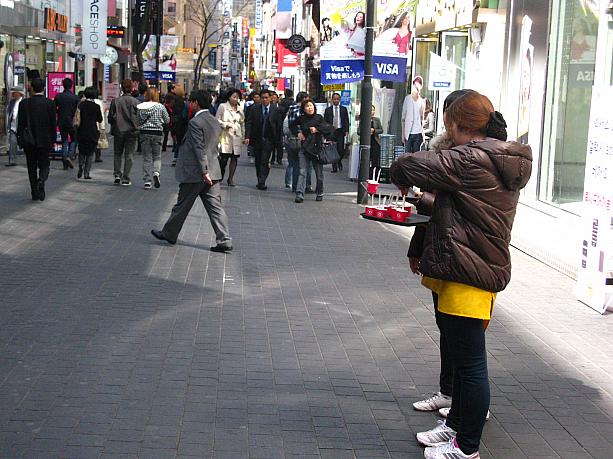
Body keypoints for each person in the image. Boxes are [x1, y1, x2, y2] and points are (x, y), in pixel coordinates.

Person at [390, 91, 532, 459]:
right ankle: (454, 427)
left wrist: (412, 169)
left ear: (456, 122)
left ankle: (466, 447)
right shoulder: (493, 156)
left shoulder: (472, 157)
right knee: (461, 354)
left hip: (468, 268)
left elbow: (406, 165)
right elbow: (466, 212)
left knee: (470, 363)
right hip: (468, 262)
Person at [408, 90, 477, 418]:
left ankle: (467, 411)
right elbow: (436, 211)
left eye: (451, 116)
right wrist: (416, 247)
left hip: (467, 261)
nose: (446, 123)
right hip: (440, 253)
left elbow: (458, 212)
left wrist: (421, 199)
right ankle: (450, 395)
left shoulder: (477, 162)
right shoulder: (442, 153)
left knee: (467, 345)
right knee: (447, 329)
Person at [151, 90, 232, 252]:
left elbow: (198, 148)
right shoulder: (214, 121)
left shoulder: (196, 122)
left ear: (196, 103)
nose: (190, 105)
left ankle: (169, 233)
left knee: (182, 205)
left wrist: (204, 171)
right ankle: (224, 239)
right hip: (213, 171)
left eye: (192, 102)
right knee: (215, 208)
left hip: (196, 173)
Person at [16, 78, 56, 201]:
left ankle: (34, 191)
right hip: (45, 140)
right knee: (45, 165)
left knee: (31, 166)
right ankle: (41, 181)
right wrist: (53, 139)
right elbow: (52, 124)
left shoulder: (24, 104)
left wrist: (19, 139)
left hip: (29, 141)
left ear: (31, 88)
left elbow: (20, 124)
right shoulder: (50, 103)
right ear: (44, 88)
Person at [290, 98, 334, 203]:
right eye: (307, 106)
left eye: (311, 106)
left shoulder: (319, 118)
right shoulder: (301, 118)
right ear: (303, 109)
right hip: (304, 148)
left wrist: (317, 129)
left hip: (317, 149)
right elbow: (292, 125)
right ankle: (299, 194)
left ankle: (319, 192)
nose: (309, 108)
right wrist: (298, 133)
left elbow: (329, 128)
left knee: (319, 174)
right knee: (302, 172)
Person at [244, 89, 279, 190]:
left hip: (269, 139)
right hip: (257, 139)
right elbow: (249, 123)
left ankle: (262, 181)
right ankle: (259, 177)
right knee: (258, 160)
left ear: (270, 98)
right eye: (262, 98)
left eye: (266, 98)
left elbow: (278, 126)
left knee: (265, 160)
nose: (264, 100)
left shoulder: (275, 110)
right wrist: (247, 136)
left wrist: (278, 141)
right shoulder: (255, 109)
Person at [108, 79, 140, 186]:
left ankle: (117, 174)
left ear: (122, 87)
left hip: (118, 131)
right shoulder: (136, 102)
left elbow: (110, 118)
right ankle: (126, 178)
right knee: (129, 155)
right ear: (132, 88)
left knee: (117, 153)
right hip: (132, 132)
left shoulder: (115, 101)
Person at [137, 87, 170, 189]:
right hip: (157, 133)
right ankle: (156, 172)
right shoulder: (160, 107)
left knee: (146, 157)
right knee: (157, 156)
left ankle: (147, 181)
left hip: (144, 133)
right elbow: (167, 120)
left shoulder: (141, 106)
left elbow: (138, 120)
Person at [216, 88, 244, 187]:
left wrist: (244, 136)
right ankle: (219, 177)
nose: (236, 99)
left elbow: (242, 123)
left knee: (234, 158)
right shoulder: (222, 107)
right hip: (225, 136)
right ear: (229, 97)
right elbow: (217, 120)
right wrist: (225, 124)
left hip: (236, 136)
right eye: (234, 97)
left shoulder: (240, 109)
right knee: (223, 159)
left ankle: (231, 178)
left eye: (238, 97)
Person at [75, 86, 103, 180]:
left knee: (82, 151)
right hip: (92, 131)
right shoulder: (96, 106)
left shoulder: (81, 105)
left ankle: (80, 166)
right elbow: (100, 119)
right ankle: (86, 173)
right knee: (90, 153)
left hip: (81, 130)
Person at [284, 91, 308, 191]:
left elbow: (286, 125)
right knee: (300, 164)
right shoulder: (303, 111)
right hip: (301, 139)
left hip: (290, 140)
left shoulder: (291, 109)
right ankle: (297, 186)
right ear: (303, 99)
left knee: (292, 163)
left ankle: (290, 183)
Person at [54, 77, 80, 170]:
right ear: (71, 86)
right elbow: (78, 111)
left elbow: (54, 109)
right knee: (74, 140)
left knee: (64, 141)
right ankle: (69, 155)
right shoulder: (75, 98)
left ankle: (65, 162)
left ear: (63, 85)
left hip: (61, 121)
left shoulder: (58, 96)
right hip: (72, 122)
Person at [324, 93, 350, 173]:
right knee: (333, 149)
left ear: (339, 100)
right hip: (331, 131)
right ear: (332, 100)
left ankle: (339, 161)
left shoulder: (343, 109)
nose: (336, 100)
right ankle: (334, 166)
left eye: (337, 99)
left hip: (340, 131)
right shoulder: (328, 110)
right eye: (334, 99)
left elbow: (346, 120)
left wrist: (346, 130)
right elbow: (325, 121)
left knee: (340, 149)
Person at [402, 76, 425, 153]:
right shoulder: (407, 99)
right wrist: (403, 134)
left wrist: (423, 135)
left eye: (418, 86)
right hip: (408, 133)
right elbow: (403, 118)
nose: (416, 88)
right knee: (407, 155)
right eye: (415, 86)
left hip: (418, 132)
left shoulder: (422, 101)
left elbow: (422, 118)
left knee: (416, 155)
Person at [170, 85, 188, 167]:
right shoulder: (181, 101)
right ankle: (178, 157)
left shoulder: (174, 100)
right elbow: (183, 114)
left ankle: (176, 157)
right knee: (181, 142)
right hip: (181, 124)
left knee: (178, 141)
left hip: (174, 123)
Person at [5, 87, 23, 167]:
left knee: (26, 144)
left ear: (19, 93)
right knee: (12, 143)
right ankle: (12, 160)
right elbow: (9, 113)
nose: (13, 95)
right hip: (13, 126)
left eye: (14, 93)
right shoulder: (12, 102)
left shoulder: (24, 101)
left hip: (22, 126)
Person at [369, 105, 383, 177]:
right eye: (370, 110)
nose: (372, 112)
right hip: (367, 142)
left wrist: (374, 130)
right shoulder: (364, 119)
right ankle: (368, 174)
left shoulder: (377, 120)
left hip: (375, 141)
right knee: (367, 159)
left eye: (373, 110)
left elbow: (381, 130)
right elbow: (359, 131)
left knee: (375, 160)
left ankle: (375, 175)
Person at [94, 94, 107, 163]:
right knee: (98, 141)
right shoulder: (100, 102)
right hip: (99, 124)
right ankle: (97, 156)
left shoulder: (85, 102)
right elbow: (102, 113)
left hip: (89, 125)